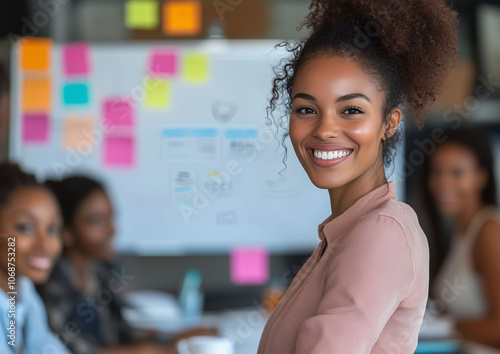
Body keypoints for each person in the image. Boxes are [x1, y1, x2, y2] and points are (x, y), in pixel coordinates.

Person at [257, 0, 458, 353]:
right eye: (306, 109)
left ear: (389, 123)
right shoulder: (347, 230)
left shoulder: (381, 232)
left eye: (351, 110)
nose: (325, 129)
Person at [38, 175, 213, 354]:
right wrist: (156, 351)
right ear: (66, 230)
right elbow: (72, 349)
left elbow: (120, 331)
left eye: (111, 218)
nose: (112, 230)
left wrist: (173, 337)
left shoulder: (99, 272)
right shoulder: (50, 281)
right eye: (97, 221)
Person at [426, 127, 500, 349]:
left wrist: (441, 328)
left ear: (481, 176)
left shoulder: (488, 231)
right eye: (437, 172)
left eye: (457, 173)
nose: (443, 183)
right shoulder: (457, 233)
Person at [0, 161, 70, 353]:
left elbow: (46, 346)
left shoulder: (24, 289)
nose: (44, 244)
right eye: (26, 228)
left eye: (52, 229)